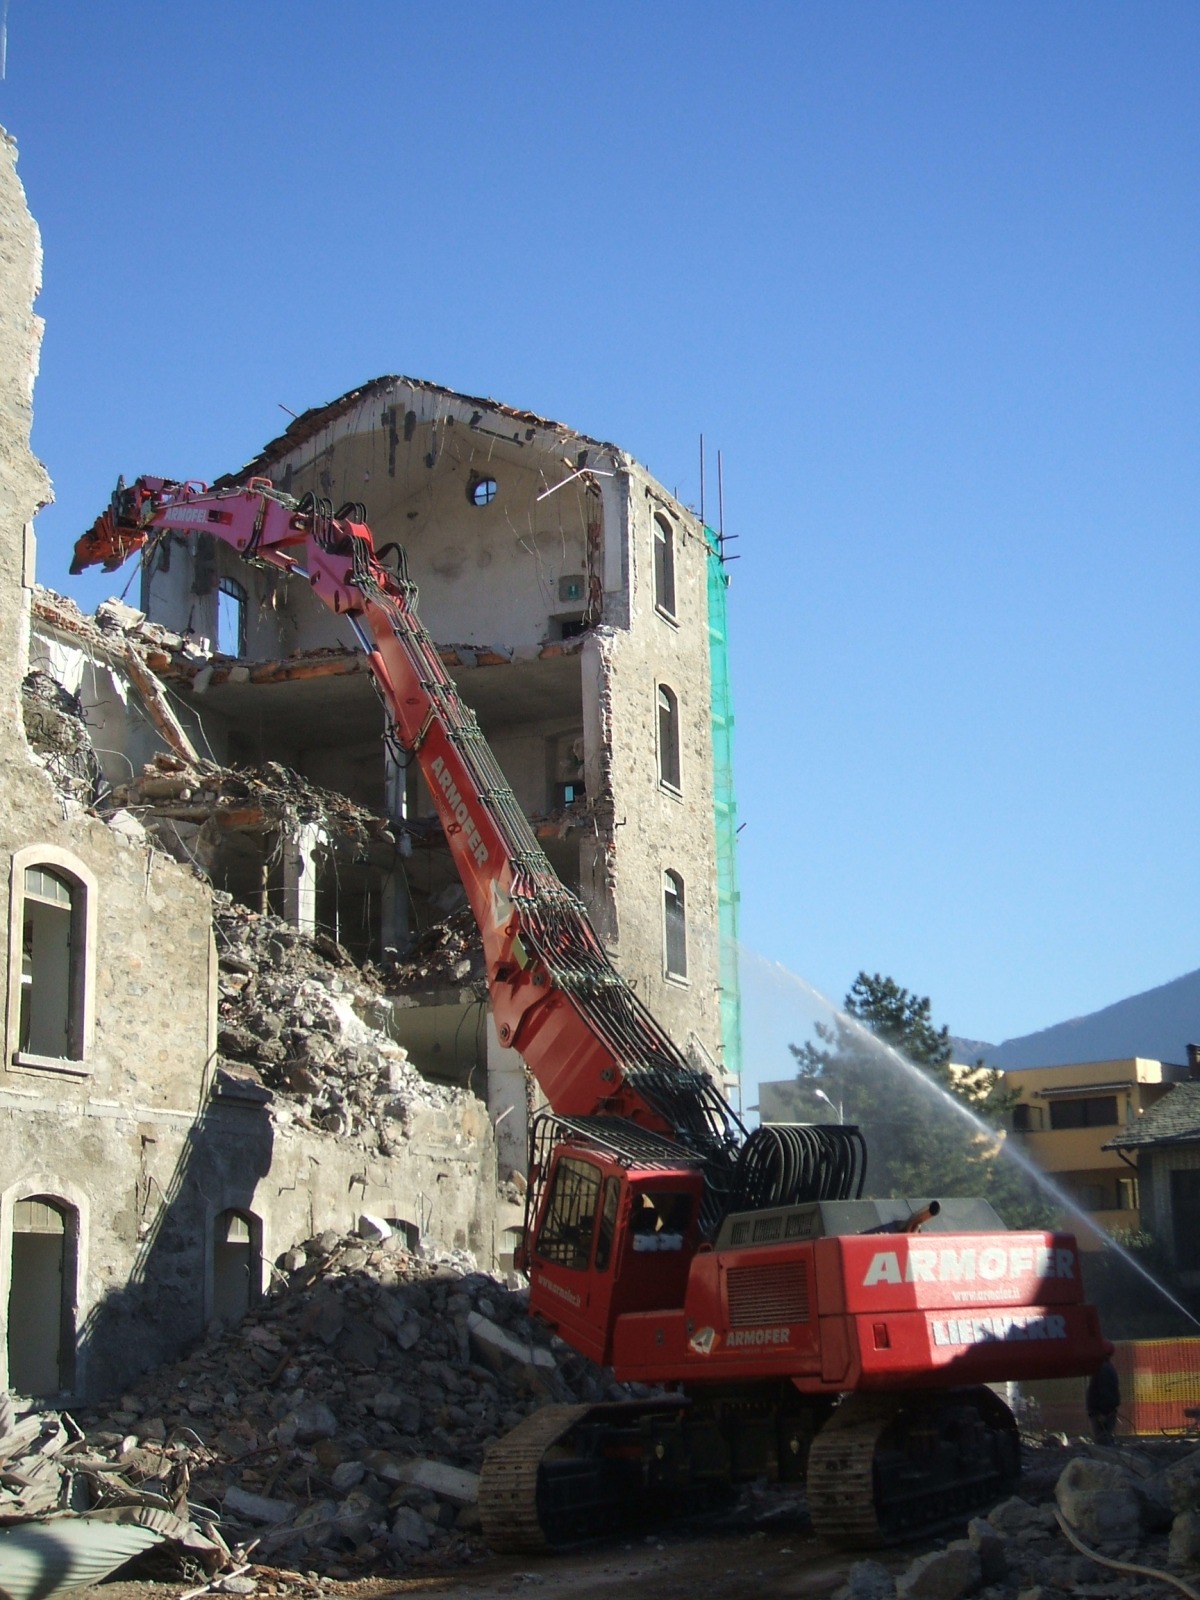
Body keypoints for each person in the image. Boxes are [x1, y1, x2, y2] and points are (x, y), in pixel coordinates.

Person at [1086, 1359, 1121, 1445]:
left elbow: (1105, 1392)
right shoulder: (1105, 1368)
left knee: (1102, 1441)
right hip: (1103, 1412)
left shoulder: (1102, 1369)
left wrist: (1103, 1412)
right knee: (1104, 1439)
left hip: (1101, 1414)